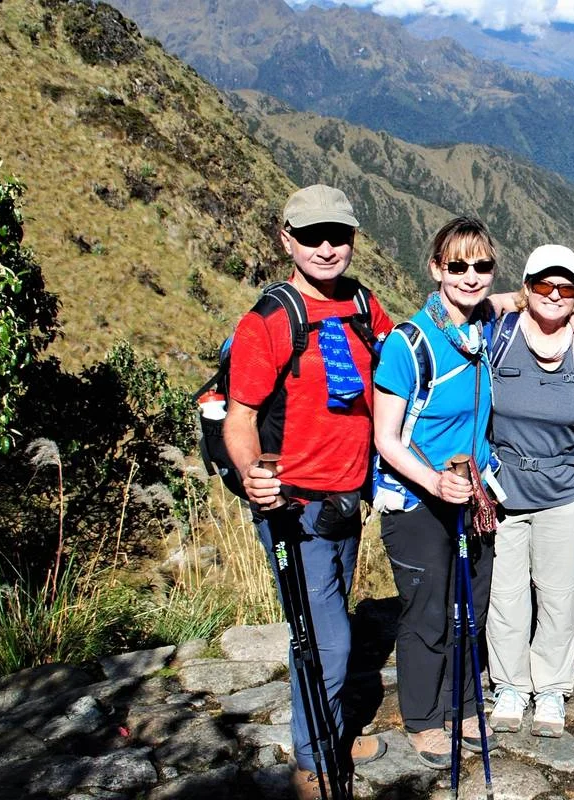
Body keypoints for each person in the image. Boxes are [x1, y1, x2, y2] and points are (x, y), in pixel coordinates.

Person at [223, 185, 392, 798]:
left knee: (322, 623)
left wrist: (512, 302)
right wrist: (252, 474)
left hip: (347, 498)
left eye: (337, 236)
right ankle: (313, 761)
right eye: (312, 236)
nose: (326, 248)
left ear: (352, 240)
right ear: (286, 239)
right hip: (293, 505)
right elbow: (240, 417)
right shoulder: (268, 322)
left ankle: (329, 731)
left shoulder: (363, 305)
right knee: (328, 638)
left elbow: (408, 350)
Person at [486, 245, 574, 737]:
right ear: (527, 287)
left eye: (565, 287)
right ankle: (510, 684)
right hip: (503, 491)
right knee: (506, 595)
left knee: (558, 595)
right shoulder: (499, 334)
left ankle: (550, 687)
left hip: (565, 489)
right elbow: (451, 304)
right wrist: (506, 300)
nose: (554, 294)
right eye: (543, 284)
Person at [371, 216, 501, 769]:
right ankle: (424, 719)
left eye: (482, 265)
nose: (470, 276)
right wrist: (433, 482)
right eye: (457, 265)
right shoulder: (410, 344)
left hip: (475, 495)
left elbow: (526, 302)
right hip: (417, 499)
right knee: (427, 611)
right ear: (435, 269)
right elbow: (385, 438)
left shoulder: (486, 327)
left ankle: (464, 704)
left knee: (471, 607)